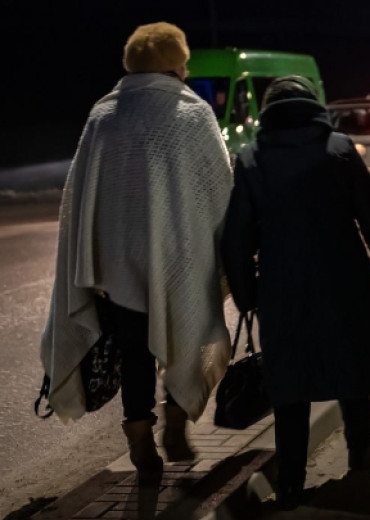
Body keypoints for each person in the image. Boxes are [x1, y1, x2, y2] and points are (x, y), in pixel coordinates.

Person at [40, 22, 232, 489]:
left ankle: (141, 438)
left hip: (118, 265)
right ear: (175, 63)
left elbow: (83, 194)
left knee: (134, 350)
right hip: (180, 257)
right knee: (183, 329)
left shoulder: (104, 115)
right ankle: (175, 423)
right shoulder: (193, 114)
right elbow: (220, 187)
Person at [221, 76, 370, 510]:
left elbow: (236, 238)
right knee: (352, 359)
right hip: (344, 274)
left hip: (282, 282)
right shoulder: (338, 148)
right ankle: (360, 447)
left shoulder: (250, 158)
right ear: (313, 106)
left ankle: (290, 481)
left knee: (289, 378)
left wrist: (247, 295)